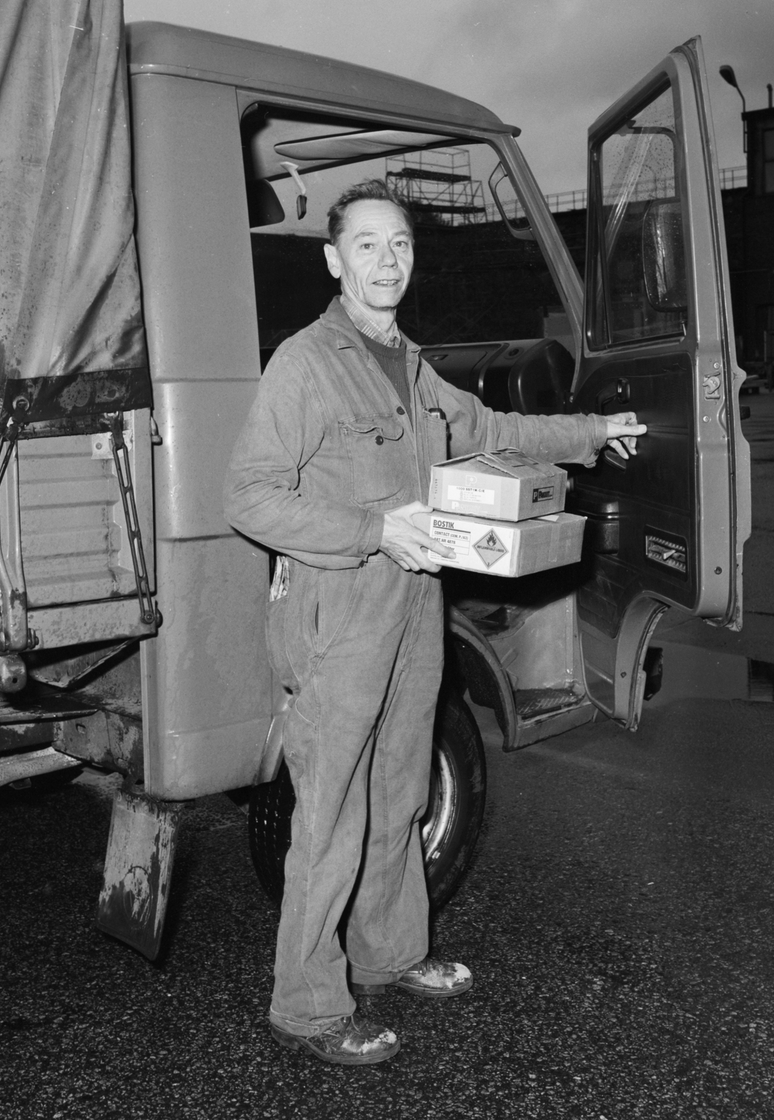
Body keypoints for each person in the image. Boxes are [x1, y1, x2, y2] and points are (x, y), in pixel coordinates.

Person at [223, 179, 645, 1066]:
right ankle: (306, 1004)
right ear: (334, 261)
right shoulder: (305, 364)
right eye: (367, 245)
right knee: (331, 812)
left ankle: (389, 952)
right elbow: (249, 497)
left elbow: (492, 428)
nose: (387, 261)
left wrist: (590, 431)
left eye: (401, 245)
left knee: (401, 788)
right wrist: (373, 529)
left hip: (416, 606)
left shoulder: (410, 366)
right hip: (339, 612)